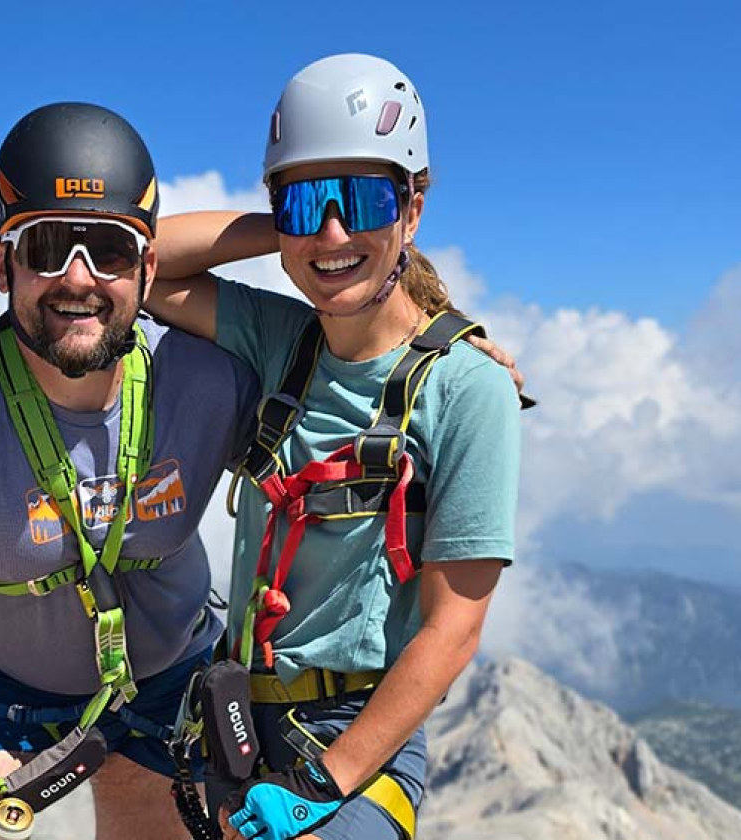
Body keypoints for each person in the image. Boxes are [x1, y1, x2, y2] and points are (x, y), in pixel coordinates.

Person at [0, 102, 262, 840]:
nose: (79, 279)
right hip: (5, 689)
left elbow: (349, 379)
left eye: (108, 247)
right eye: (46, 247)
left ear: (149, 267)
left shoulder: (208, 379)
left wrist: (443, 336)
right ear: (2, 264)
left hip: (176, 677)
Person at [147, 54, 522, 840]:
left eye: (365, 199)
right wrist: (286, 228)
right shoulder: (282, 340)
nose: (334, 234)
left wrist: (320, 784)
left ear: (412, 210)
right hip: (238, 721)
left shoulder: (466, 389)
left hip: (358, 743)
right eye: (310, 200)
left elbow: (453, 631)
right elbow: (143, 265)